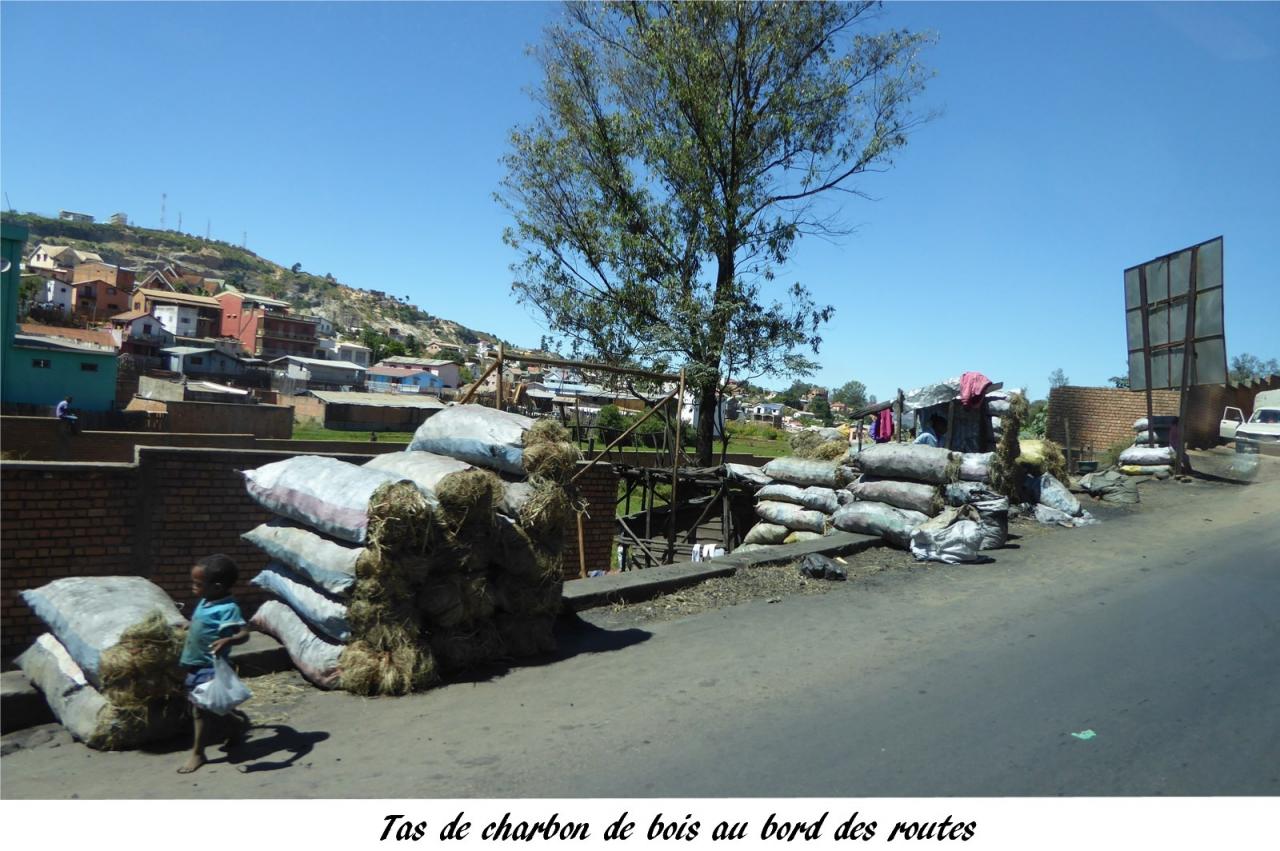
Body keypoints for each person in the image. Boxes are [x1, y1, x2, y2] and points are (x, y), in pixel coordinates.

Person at [178, 553, 251, 774]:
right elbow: (204, 623)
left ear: (217, 587)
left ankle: (198, 753)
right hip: (194, 662)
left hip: (210, 665)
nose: (193, 587)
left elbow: (245, 633)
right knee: (213, 706)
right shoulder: (206, 600)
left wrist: (229, 639)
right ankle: (236, 726)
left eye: (197, 583)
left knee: (199, 710)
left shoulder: (228, 608)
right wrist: (191, 626)